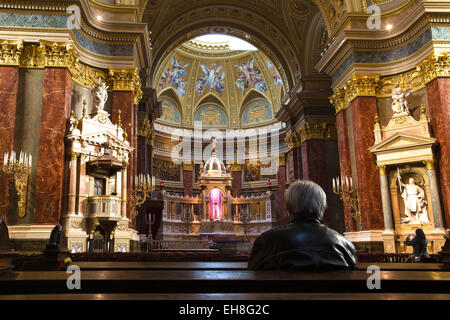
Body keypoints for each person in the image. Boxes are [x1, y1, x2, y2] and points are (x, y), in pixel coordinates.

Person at [248, 180, 358, 270]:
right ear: (323, 208)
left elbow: (252, 281)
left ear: (288, 208)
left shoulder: (267, 241)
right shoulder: (346, 245)